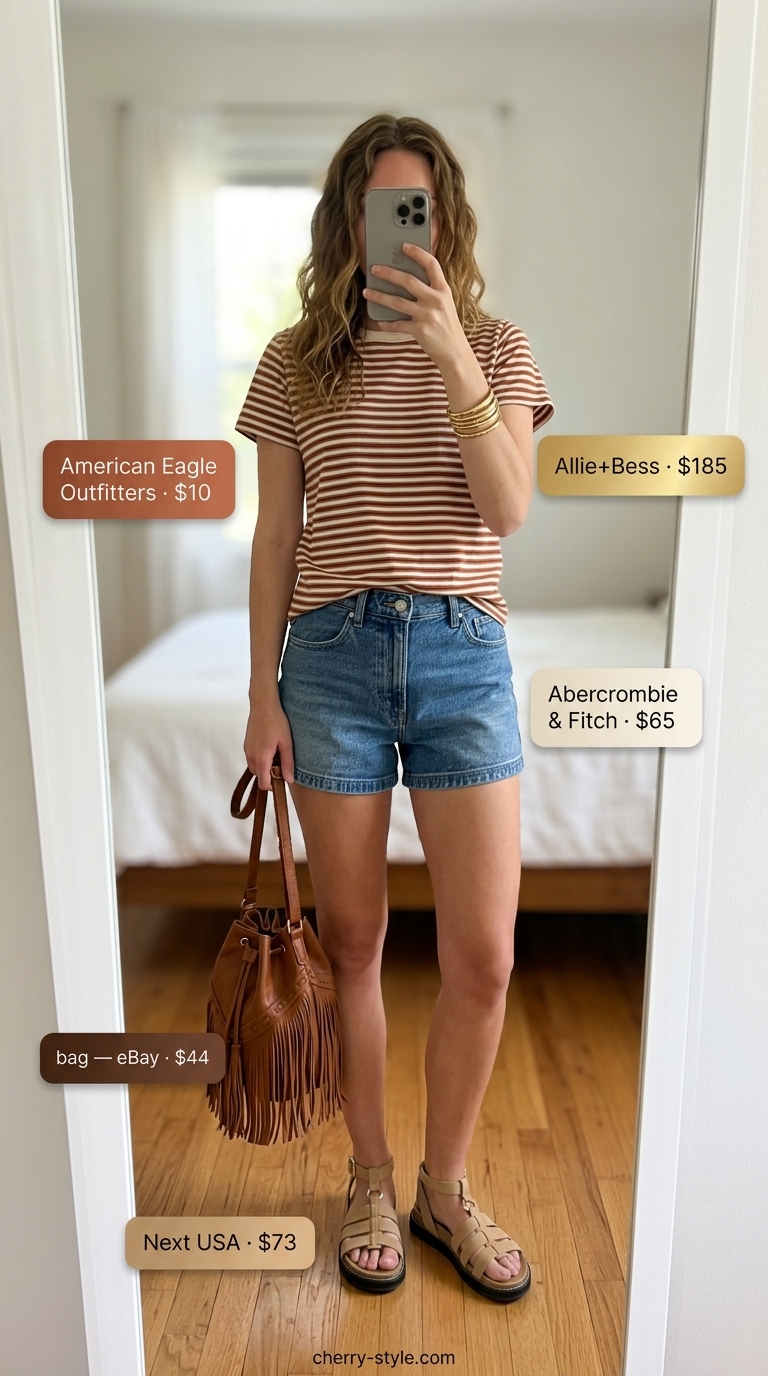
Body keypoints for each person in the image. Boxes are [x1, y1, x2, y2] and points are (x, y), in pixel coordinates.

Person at [237, 114, 552, 1304]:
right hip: (328, 657)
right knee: (355, 945)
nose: (397, 235)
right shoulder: (292, 360)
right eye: (378, 212)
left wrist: (452, 357)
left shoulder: (500, 348)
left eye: (416, 210)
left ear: (446, 222)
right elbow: (276, 534)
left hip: (467, 657)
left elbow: (509, 507)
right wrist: (261, 690)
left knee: (485, 955)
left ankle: (446, 1186)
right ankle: (369, 1174)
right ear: (347, 223)